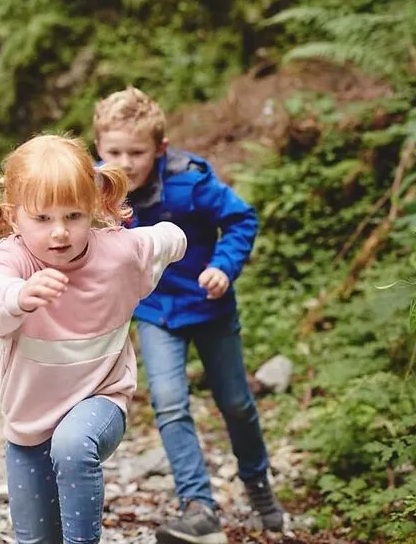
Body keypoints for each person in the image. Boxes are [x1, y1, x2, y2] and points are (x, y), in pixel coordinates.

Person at [0, 134, 187, 544]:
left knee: (72, 446)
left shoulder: (119, 253)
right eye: (43, 219)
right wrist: (20, 295)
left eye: (73, 216)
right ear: (13, 216)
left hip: (101, 398)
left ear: (93, 208)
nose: (60, 233)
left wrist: (176, 240)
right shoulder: (11, 259)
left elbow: (167, 238)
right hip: (29, 423)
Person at [93, 86, 285, 543]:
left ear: (159, 149)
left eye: (136, 152)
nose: (124, 162)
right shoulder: (94, 187)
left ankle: (259, 487)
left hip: (210, 305)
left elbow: (241, 220)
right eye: (113, 151)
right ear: (98, 147)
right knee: (170, 403)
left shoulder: (189, 180)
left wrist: (224, 265)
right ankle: (198, 506)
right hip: (157, 312)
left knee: (236, 404)